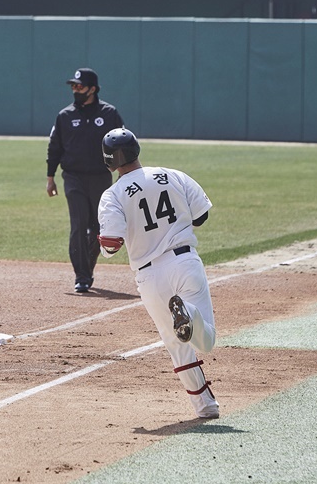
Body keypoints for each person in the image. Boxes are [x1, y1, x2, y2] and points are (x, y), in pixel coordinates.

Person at [96, 127, 219, 420]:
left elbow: (111, 245)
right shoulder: (172, 175)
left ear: (108, 161)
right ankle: (188, 311)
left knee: (177, 344)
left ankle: (205, 406)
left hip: (149, 277)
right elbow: (201, 216)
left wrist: (105, 244)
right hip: (184, 262)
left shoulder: (113, 195)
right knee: (206, 341)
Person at [46, 68, 124, 294]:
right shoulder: (65, 116)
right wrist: (50, 177)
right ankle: (81, 275)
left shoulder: (109, 113)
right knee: (79, 225)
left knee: (99, 227)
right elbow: (54, 147)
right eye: (73, 86)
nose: (75, 90)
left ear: (92, 89)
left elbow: (122, 144)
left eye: (79, 86)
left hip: (101, 177)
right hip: (74, 178)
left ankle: (87, 268)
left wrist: (123, 173)